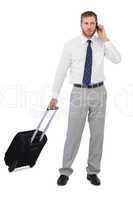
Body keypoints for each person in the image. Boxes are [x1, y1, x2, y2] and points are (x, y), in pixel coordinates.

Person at [49, 11, 121, 186]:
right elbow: (61, 71)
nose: (89, 26)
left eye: (92, 23)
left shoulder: (101, 43)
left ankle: (93, 171)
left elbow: (117, 59)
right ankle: (65, 171)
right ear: (80, 24)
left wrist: (106, 38)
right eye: (86, 23)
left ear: (97, 24)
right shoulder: (70, 45)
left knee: (97, 135)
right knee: (73, 134)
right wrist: (54, 96)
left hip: (99, 92)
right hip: (79, 93)